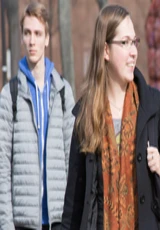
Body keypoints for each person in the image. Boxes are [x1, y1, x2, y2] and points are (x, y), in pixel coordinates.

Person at [61, 5, 160, 230]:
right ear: (105, 50)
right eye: (125, 42)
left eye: (134, 42)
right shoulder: (86, 115)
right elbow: (74, 200)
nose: (133, 51)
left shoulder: (153, 104)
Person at [0, 2, 75, 230]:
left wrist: (70, 220)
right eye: (27, 33)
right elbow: (2, 165)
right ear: (22, 37)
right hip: (22, 222)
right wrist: (5, 224)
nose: (32, 41)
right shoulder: (9, 95)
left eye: (38, 33)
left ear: (47, 38)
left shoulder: (63, 93)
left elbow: (72, 163)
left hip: (58, 220)